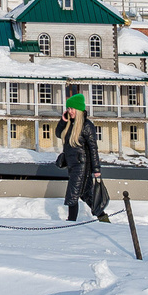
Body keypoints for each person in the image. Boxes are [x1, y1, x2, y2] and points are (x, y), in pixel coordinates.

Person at [55, 93, 111, 222]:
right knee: (85, 194)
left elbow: (93, 149)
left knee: (72, 194)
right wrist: (63, 121)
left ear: (79, 109)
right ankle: (103, 217)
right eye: (68, 108)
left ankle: (71, 221)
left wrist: (96, 170)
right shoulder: (70, 124)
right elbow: (58, 134)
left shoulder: (87, 126)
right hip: (72, 164)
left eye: (72, 108)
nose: (70, 111)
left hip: (82, 166)